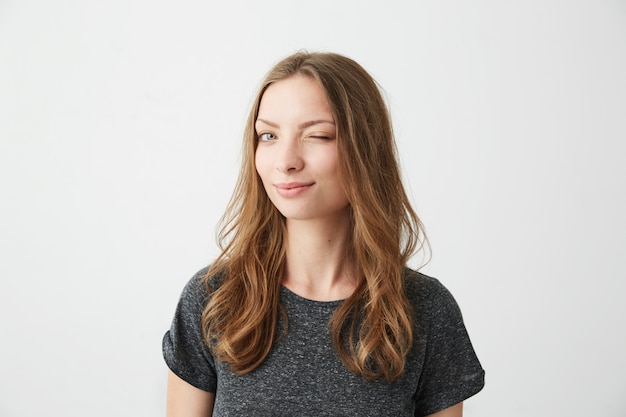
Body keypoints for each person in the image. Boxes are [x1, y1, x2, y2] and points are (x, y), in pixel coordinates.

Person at [163, 51, 485, 417]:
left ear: (365, 148)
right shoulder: (213, 300)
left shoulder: (424, 309)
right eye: (268, 135)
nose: (286, 160)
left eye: (317, 135)